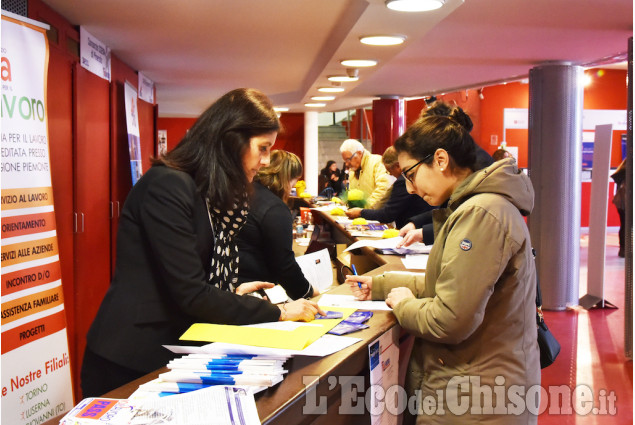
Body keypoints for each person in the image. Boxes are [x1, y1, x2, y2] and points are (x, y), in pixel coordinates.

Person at [81, 88, 323, 397]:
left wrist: (232, 294)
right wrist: (281, 312)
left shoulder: (203, 191)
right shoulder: (168, 185)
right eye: (262, 149)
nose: (265, 161)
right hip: (129, 359)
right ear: (232, 141)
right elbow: (191, 293)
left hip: (168, 350)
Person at [346, 113, 539, 424]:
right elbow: (452, 285)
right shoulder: (475, 208)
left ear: (440, 159)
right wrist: (381, 287)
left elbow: (450, 319)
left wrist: (404, 306)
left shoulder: (481, 214)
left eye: (410, 174)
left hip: (477, 398)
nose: (409, 189)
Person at [398, 101, 494, 247]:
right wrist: (417, 223)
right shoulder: (468, 184)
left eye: (411, 174)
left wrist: (425, 232)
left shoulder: (481, 194)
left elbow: (463, 223)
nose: (410, 189)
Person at [237, 150, 317, 299]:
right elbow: (284, 265)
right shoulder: (274, 208)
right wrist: (308, 292)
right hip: (252, 289)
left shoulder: (246, 192)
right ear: (287, 178)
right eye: (295, 180)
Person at [345, 146, 434, 228]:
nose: (390, 174)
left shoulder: (403, 181)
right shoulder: (416, 176)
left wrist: (361, 212)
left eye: (389, 171)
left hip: (415, 233)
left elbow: (387, 215)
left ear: (397, 166)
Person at [339, 139, 392, 208]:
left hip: (378, 213)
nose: (346, 164)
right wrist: (348, 202)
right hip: (362, 214)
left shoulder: (377, 162)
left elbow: (384, 189)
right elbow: (354, 194)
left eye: (348, 159)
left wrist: (364, 208)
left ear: (359, 153)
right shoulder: (352, 170)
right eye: (345, 161)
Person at [611, 159, 626, 257]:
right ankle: (624, 249)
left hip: (621, 202)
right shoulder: (627, 171)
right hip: (625, 202)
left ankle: (623, 249)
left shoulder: (622, 171)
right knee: (626, 225)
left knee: (624, 225)